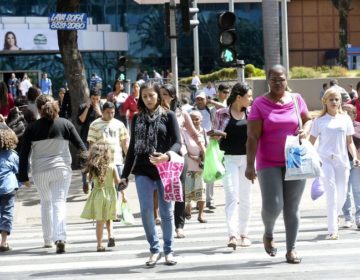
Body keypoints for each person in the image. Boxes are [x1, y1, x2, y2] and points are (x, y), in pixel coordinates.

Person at [245, 64, 313, 264]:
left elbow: (308, 120)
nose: (277, 82)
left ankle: (291, 249)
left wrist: (306, 131)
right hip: (268, 161)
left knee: (292, 206)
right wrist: (250, 164)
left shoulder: (296, 99)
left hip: (294, 158)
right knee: (273, 204)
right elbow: (252, 136)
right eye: (273, 79)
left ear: (287, 79)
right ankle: (268, 232)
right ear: (268, 80)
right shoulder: (259, 103)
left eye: (281, 79)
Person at [121, 81, 181, 266]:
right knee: (147, 211)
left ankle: (168, 250)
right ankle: (154, 249)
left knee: (166, 212)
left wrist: (166, 156)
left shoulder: (169, 115)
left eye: (151, 95)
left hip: (165, 168)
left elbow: (178, 143)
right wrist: (124, 175)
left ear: (159, 96)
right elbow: (132, 149)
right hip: (142, 170)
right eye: (144, 96)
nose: (148, 99)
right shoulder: (136, 118)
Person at [18, 95, 87, 253]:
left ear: (39, 109)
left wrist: (23, 176)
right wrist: (89, 167)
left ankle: (48, 239)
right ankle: (60, 237)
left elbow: (24, 154)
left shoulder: (32, 128)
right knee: (59, 202)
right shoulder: (65, 124)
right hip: (61, 170)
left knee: (46, 202)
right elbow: (82, 147)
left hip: (40, 171)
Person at [309, 88, 360, 240]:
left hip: (342, 161)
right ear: (325, 101)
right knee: (331, 194)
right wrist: (313, 159)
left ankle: (335, 216)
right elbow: (311, 143)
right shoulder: (318, 121)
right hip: (325, 161)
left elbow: (349, 142)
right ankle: (333, 229)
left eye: (337, 99)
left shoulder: (345, 120)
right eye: (331, 99)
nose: (334, 102)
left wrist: (355, 157)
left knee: (343, 194)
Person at [160, 84, 206, 238]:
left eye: (166, 94)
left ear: (173, 96)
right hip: (161, 156)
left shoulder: (182, 114)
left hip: (180, 155)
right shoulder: (155, 113)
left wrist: (202, 147)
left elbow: (193, 133)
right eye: (161, 94)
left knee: (180, 190)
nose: (162, 97)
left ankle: (179, 226)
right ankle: (165, 220)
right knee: (163, 190)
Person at [212, 82, 253, 249]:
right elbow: (213, 138)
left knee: (245, 198)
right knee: (231, 196)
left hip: (247, 160)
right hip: (228, 159)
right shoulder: (221, 113)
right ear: (238, 97)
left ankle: (244, 233)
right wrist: (217, 135)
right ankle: (232, 235)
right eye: (248, 96)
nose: (251, 99)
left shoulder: (251, 114)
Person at [87, 101, 129, 217]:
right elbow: (91, 145)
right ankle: (102, 210)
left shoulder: (119, 124)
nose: (110, 115)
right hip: (101, 162)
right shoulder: (94, 125)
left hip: (117, 160)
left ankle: (113, 212)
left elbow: (124, 143)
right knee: (102, 187)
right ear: (103, 112)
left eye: (113, 112)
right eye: (108, 112)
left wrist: (130, 159)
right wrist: (92, 161)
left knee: (116, 187)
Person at [81, 141, 120, 251]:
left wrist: (86, 185)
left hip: (98, 195)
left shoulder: (94, 167)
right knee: (109, 217)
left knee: (100, 221)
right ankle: (111, 235)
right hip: (110, 195)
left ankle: (99, 244)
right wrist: (123, 191)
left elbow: (89, 180)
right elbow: (118, 182)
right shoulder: (112, 166)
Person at [193, 90, 216, 210]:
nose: (200, 101)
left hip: (209, 144)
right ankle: (199, 200)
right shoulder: (191, 111)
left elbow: (225, 107)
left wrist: (211, 101)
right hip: (196, 145)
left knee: (210, 173)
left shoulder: (211, 110)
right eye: (198, 99)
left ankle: (210, 200)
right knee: (198, 174)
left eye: (202, 99)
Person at [183, 110, 207, 225]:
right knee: (188, 190)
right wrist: (193, 157)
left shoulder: (204, 132)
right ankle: (188, 208)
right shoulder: (184, 132)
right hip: (187, 165)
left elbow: (206, 147)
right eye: (191, 119)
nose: (194, 121)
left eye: (196, 119)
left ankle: (201, 214)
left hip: (201, 166)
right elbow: (183, 148)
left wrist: (202, 157)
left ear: (201, 120)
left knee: (201, 190)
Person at [0, 122, 21, 252]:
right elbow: (18, 170)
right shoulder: (12, 155)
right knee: (7, 213)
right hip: (8, 188)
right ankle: (3, 242)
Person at [77, 89, 102, 194]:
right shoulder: (83, 107)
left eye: (97, 99)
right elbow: (80, 121)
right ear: (89, 98)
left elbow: (104, 120)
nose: (95, 101)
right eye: (93, 99)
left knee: (96, 162)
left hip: (97, 139)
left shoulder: (101, 107)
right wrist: (87, 107)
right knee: (85, 161)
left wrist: (98, 110)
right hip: (85, 137)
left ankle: (93, 184)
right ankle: (85, 182)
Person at [341, 104, 360, 229]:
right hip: (342, 163)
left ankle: (359, 218)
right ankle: (347, 217)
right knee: (344, 192)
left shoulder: (359, 126)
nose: (347, 115)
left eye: (350, 113)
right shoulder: (338, 126)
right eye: (344, 112)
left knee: (357, 190)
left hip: (356, 162)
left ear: (355, 114)